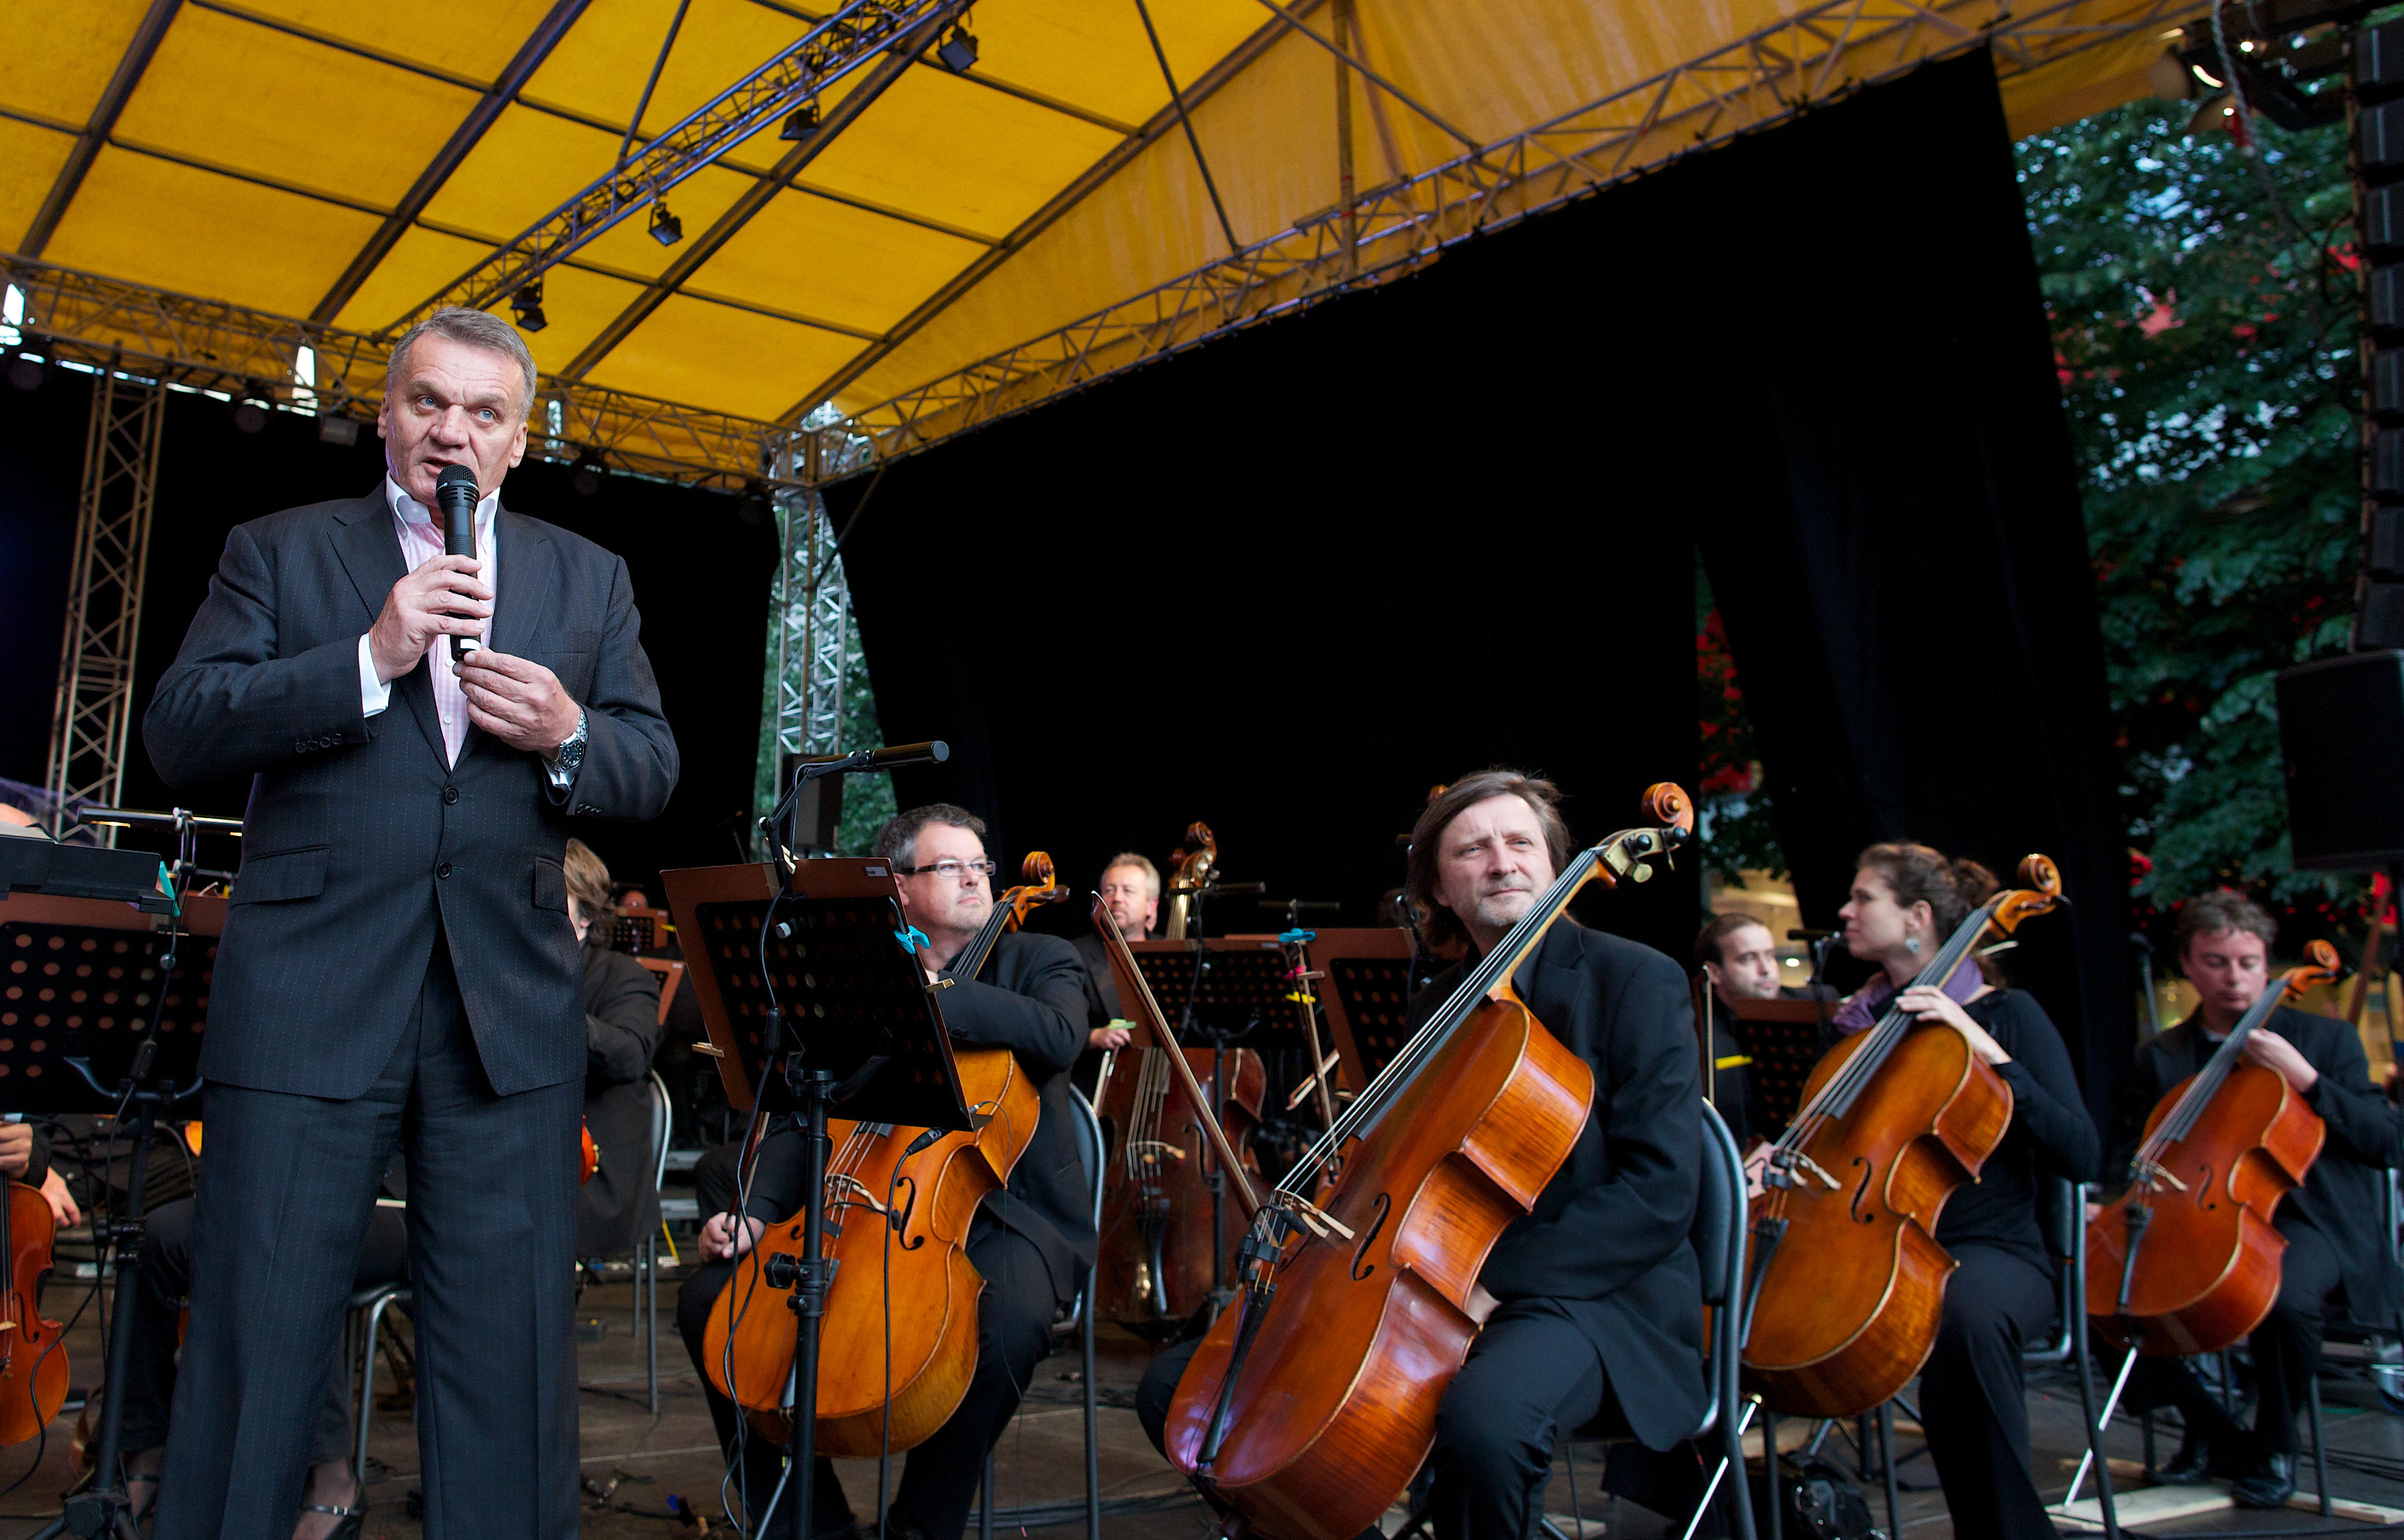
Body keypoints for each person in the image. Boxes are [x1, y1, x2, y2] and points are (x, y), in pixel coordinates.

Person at [141, 305, 679, 1539]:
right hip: (308, 1005)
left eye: (483, 412)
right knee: (256, 1345)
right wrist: (367, 658)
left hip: (508, 1019)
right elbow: (181, 728)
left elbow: (650, 765)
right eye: (428, 402)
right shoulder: (278, 552)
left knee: (510, 1362)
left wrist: (568, 732)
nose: (453, 429)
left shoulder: (586, 578)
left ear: (518, 440)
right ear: (384, 416)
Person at [1135, 768, 1706, 1540]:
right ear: (1437, 888)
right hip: (1423, 1271)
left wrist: (1486, 1279)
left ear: (1554, 862)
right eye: (1473, 849)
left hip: (1590, 1294)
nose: (1502, 862)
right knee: (1182, 1394)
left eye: (1520, 843)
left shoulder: (1635, 979)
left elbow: (1662, 1194)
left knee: (1485, 1424)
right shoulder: (1439, 1002)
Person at [675, 804, 1091, 1540]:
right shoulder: (859, 971)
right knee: (712, 1303)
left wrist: (938, 996)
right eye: (949, 866)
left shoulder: (1040, 961)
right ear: (899, 888)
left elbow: (1060, 1036)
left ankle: (922, 1527)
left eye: (980, 865)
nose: (975, 878)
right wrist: (758, 1212)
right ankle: (809, 1523)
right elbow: (806, 1108)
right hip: (863, 1200)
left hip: (1007, 1213)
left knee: (1008, 1325)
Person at [1824, 843, 2097, 1540]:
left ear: (1917, 916)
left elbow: (2081, 1151)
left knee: (1960, 1315)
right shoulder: (1861, 1023)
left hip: (1995, 1249)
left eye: (1863, 898)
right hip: (1877, 1236)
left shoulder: (2009, 1016)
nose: (1845, 911)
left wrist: (1987, 1050)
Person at [2108, 889, 2400, 1506]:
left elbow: (2384, 1141)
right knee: (2107, 1297)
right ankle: (2213, 1431)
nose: (2233, 977)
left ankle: (2274, 1443)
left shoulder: (2324, 1041)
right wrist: (2110, 1196)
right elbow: (2129, 1151)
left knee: (2284, 1299)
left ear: (2266, 963)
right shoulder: (2160, 1056)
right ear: (2187, 965)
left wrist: (2308, 1080)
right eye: (2215, 961)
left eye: (2246, 961)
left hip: (2308, 1216)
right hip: (2196, 1211)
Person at [563, 839, 664, 1258]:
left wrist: (549, 1014)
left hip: (590, 1174)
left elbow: (630, 1055)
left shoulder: (622, 976)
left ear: (585, 916)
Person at [1690, 914, 1788, 1147]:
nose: (1766, 970)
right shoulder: (1698, 1032)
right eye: (1747, 959)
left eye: (1770, 956)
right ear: (1714, 973)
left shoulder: (1806, 1011)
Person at [1070, 852, 1154, 1058]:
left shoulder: (1172, 951)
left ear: (1151, 906)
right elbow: (1056, 1027)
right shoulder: (1074, 955)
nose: (1117, 899)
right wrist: (1093, 1037)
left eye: (1128, 891)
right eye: (1109, 890)